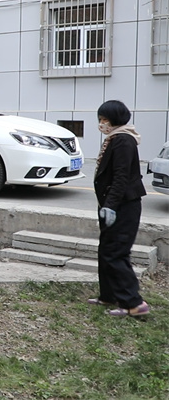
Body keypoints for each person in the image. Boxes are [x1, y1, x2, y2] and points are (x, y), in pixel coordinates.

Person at [89, 100, 149, 317]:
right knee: (106, 250)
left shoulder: (124, 140)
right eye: (100, 120)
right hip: (109, 205)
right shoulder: (114, 138)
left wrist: (111, 206)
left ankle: (134, 303)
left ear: (116, 119)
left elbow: (122, 176)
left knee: (116, 253)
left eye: (105, 120)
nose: (102, 124)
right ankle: (109, 295)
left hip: (123, 206)